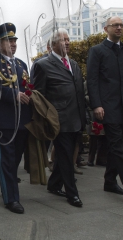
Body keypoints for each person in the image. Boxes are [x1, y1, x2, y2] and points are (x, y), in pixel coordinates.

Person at [87, 17, 123, 200]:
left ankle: (110, 181)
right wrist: (96, 104)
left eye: (121, 25)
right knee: (117, 145)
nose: (119, 28)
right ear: (106, 29)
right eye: (115, 25)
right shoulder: (97, 51)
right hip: (107, 107)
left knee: (120, 145)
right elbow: (92, 80)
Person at [32, 28, 86, 208]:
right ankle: (72, 193)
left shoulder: (74, 64)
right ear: (53, 44)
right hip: (59, 120)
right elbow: (38, 96)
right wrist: (46, 119)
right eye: (63, 40)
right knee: (65, 156)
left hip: (77, 119)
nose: (67, 42)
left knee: (68, 154)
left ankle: (54, 184)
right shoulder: (43, 65)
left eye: (68, 39)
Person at [0, 23, 32, 214]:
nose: (13, 44)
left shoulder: (21, 64)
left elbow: (27, 85)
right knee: (6, 160)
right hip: (3, 119)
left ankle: (11, 190)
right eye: (8, 40)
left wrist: (31, 94)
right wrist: (14, 95)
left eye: (14, 40)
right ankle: (11, 198)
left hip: (22, 120)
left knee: (15, 160)